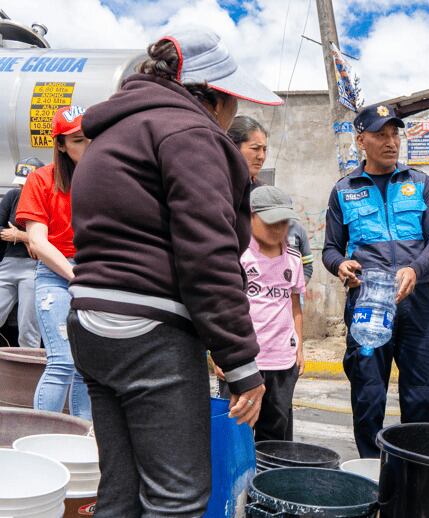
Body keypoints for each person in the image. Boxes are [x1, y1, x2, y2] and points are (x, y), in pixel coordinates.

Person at [67, 27, 280, 515]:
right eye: (230, 104)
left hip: (92, 324)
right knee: (176, 500)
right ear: (213, 97)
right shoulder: (190, 133)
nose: (229, 122)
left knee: (120, 493)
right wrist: (242, 362)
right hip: (150, 333)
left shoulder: (111, 134)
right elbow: (207, 254)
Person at [322, 103, 429, 458]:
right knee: (368, 394)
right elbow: (330, 249)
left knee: (422, 395)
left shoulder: (421, 183)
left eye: (395, 134)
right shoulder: (344, 190)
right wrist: (340, 266)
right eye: (381, 135)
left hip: (418, 303)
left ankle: (415, 475)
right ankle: (373, 476)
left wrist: (416, 269)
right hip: (367, 304)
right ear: (361, 140)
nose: (391, 142)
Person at [15, 107, 92, 420]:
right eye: (78, 140)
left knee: (87, 365)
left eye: (92, 138)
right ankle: (40, 437)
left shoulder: (106, 178)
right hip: (56, 275)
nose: (88, 146)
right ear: (60, 144)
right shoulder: (41, 179)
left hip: (95, 272)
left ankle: (85, 439)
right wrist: (75, 275)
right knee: (63, 360)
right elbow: (37, 241)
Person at [217, 186, 305, 441]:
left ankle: (267, 480)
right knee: (235, 432)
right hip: (243, 361)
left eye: (283, 222)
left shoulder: (293, 260)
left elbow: (294, 305)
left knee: (275, 434)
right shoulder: (238, 258)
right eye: (270, 222)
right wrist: (219, 354)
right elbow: (222, 308)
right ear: (250, 218)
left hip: (282, 361)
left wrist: (299, 347)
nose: (278, 228)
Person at [228, 115, 314, 283]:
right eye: (255, 148)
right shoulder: (219, 189)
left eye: (264, 149)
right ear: (233, 147)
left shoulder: (266, 195)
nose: (261, 156)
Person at [0, 157, 44, 349]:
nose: (24, 188)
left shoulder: (47, 201)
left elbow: (55, 238)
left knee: (28, 327)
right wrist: (29, 238)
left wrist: (22, 236)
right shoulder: (12, 196)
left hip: (34, 268)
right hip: (9, 264)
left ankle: (28, 374)